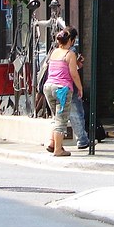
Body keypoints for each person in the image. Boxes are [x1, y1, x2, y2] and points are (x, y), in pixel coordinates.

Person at [43, 28, 83, 157]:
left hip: (48, 87)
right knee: (61, 119)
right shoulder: (69, 54)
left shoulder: (54, 52)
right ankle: (58, 150)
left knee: (56, 117)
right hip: (62, 89)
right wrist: (80, 88)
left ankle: (52, 143)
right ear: (70, 41)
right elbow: (74, 73)